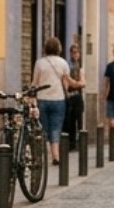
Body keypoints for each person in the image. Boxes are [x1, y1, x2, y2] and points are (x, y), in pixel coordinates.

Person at [32, 37, 70, 166]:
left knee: (43, 128)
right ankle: (56, 155)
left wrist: (32, 97)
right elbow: (66, 83)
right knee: (56, 128)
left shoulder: (39, 63)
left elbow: (35, 83)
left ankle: (46, 156)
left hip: (42, 99)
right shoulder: (63, 63)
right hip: (58, 99)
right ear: (59, 48)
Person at [64, 42, 86, 149]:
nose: (75, 55)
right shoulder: (67, 65)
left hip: (78, 96)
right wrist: (77, 83)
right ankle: (72, 143)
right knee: (71, 121)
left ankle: (80, 142)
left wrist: (76, 83)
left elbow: (83, 83)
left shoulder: (80, 66)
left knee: (80, 120)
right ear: (70, 53)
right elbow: (68, 81)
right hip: (70, 96)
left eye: (77, 53)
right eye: (73, 53)